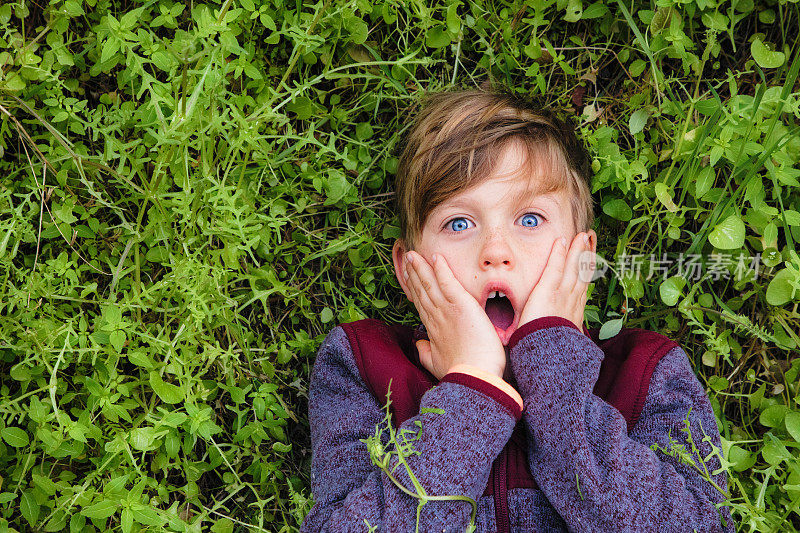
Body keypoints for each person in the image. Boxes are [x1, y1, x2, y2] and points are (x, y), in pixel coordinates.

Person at [300, 85, 734, 532]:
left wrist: (556, 380)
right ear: (409, 271)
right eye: (458, 223)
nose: (495, 251)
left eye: (530, 219)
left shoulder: (647, 374)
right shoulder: (362, 366)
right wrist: (470, 390)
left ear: (583, 260)